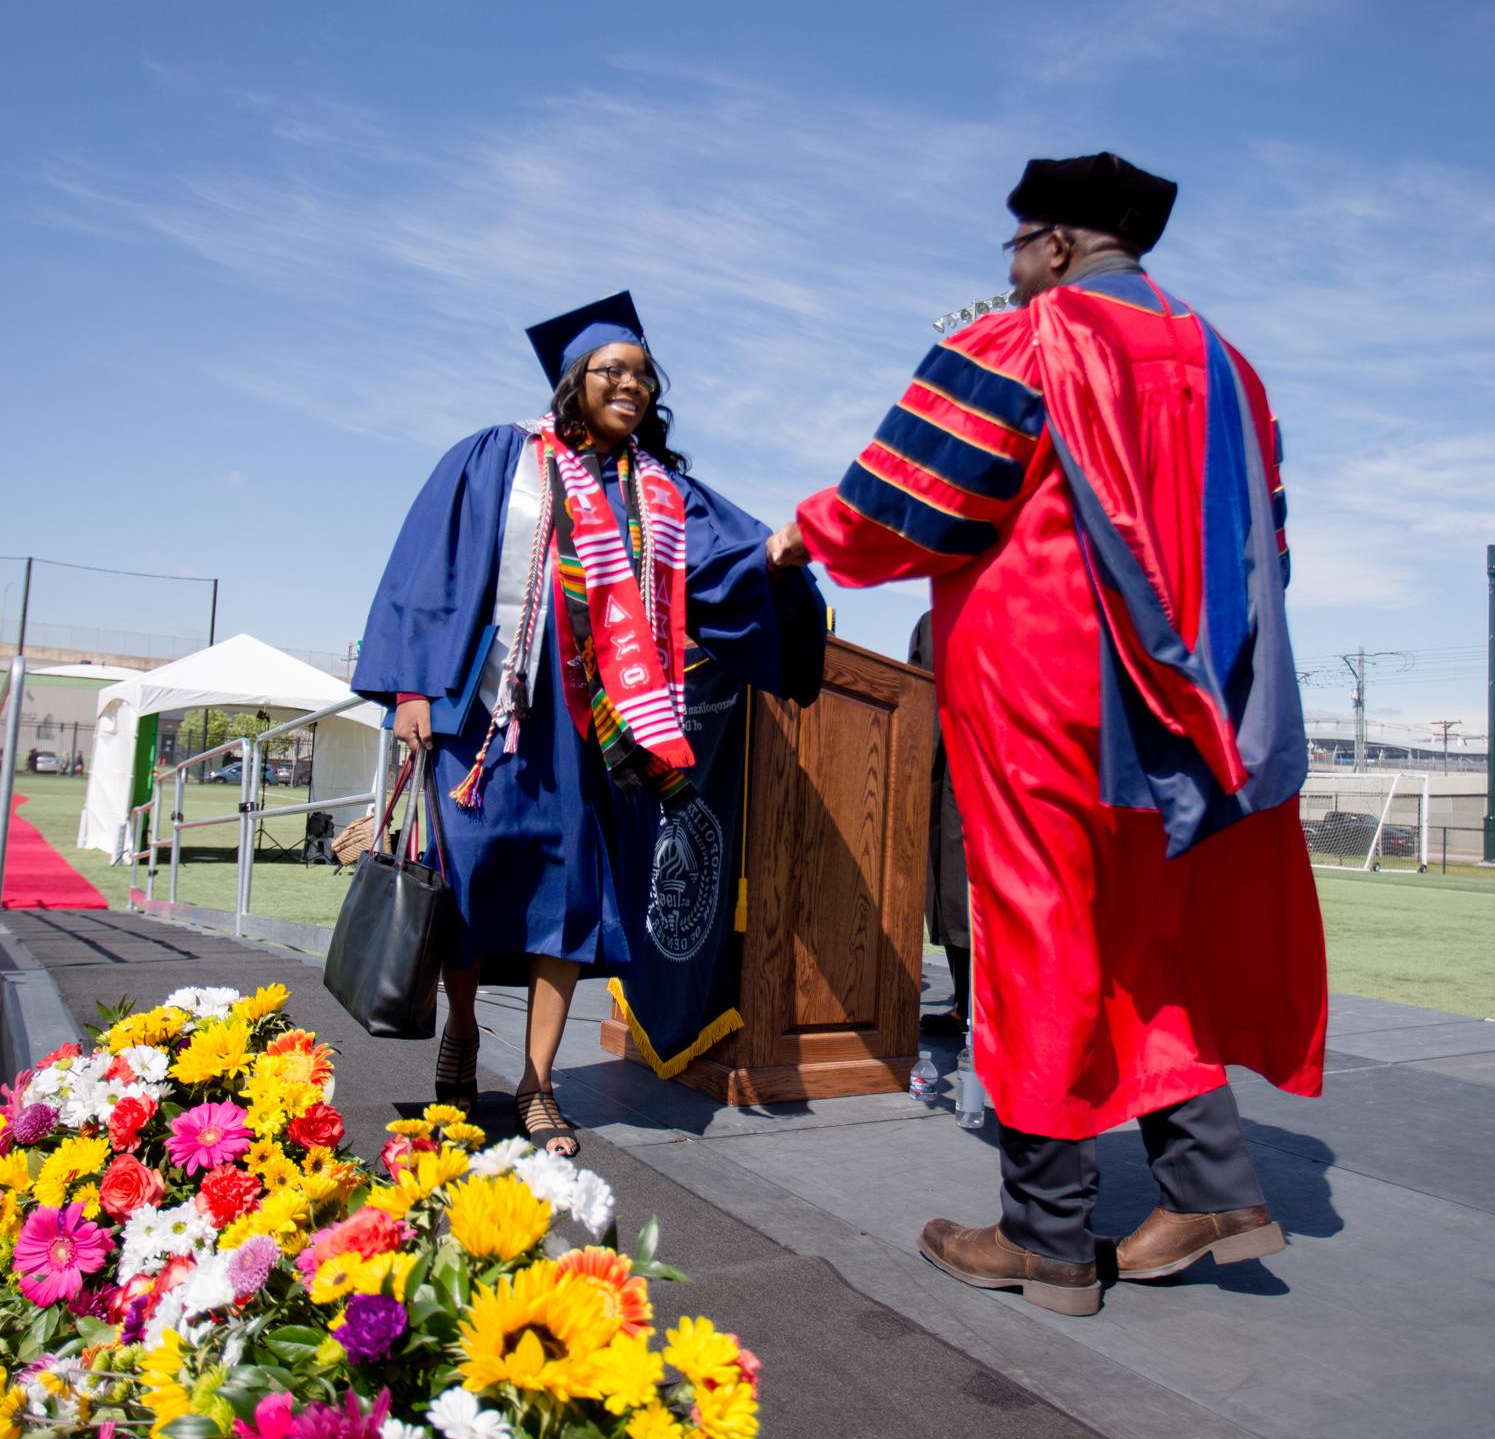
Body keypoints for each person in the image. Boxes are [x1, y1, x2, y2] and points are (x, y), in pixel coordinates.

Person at [769, 153, 1327, 1316]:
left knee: (1036, 936)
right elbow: (1266, 535)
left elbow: (908, 501)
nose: (1012, 270)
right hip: (1187, 705)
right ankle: (1214, 1187)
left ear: (1058, 244)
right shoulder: (1234, 371)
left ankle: (1047, 1235)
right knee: (1141, 940)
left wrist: (809, 533)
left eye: (1017, 248)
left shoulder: (1028, 339)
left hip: (1044, 685)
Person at [355, 292, 824, 1157]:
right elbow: (434, 562)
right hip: (487, 714)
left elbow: (731, 562)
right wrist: (412, 687)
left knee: (566, 900)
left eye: (644, 377)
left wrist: (776, 556)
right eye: (613, 372)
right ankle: (462, 1032)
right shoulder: (501, 457)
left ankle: (536, 1085)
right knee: (472, 884)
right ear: (575, 382)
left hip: (590, 728)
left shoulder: (661, 489)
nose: (631, 387)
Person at [907, 612, 970, 1040]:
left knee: (965, 892)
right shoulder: (933, 621)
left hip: (982, 770)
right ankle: (964, 1005)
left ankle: (981, 1013)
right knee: (947, 894)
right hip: (943, 771)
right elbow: (915, 690)